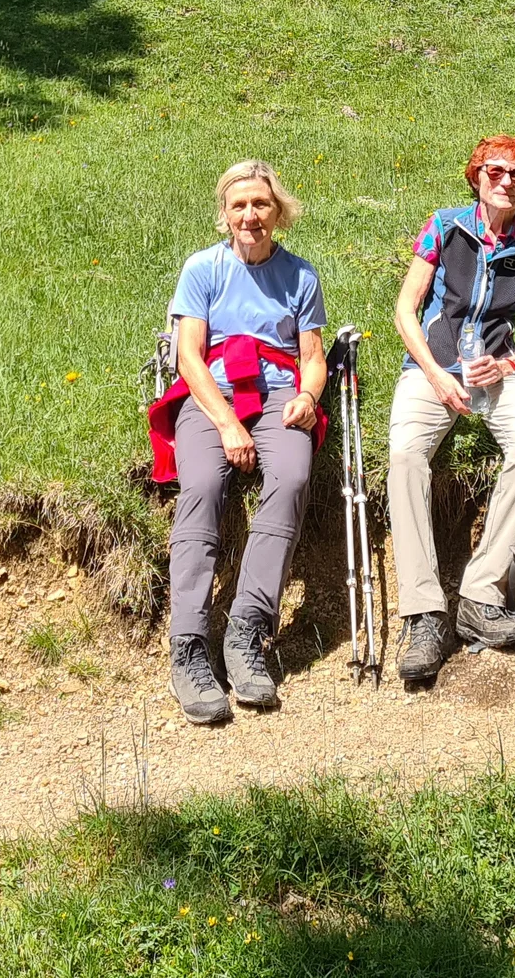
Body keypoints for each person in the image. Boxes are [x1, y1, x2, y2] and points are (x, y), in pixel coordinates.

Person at [150, 160, 327, 726]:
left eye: (261, 204)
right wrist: (227, 423)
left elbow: (313, 357)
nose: (250, 216)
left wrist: (309, 397)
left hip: (278, 393)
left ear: (278, 211)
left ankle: (247, 632)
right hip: (213, 394)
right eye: (239, 205)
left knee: (293, 476)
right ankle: (190, 645)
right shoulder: (202, 268)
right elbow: (189, 357)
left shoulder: (301, 275)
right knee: (201, 484)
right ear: (224, 213)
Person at [388, 135, 515, 685]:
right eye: (495, 170)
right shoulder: (444, 225)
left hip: (497, 370)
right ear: (476, 176)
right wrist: (437, 376)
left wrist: (509, 367)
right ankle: (424, 613)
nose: (505, 180)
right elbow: (404, 311)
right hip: (432, 369)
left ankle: (481, 595)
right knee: (407, 456)